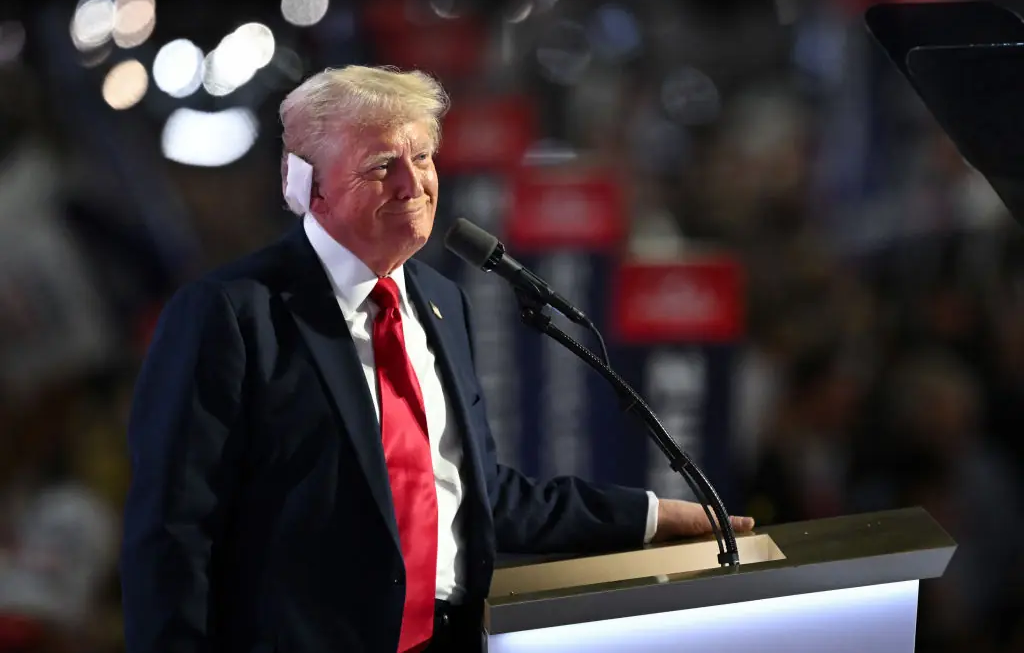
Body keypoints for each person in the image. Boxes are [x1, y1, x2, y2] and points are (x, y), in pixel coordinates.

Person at [119, 65, 754, 653]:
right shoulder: (228, 315)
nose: (413, 183)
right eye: (380, 165)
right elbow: (172, 534)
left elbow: (473, 493)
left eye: (422, 156)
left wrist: (648, 517)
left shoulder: (441, 300)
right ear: (306, 184)